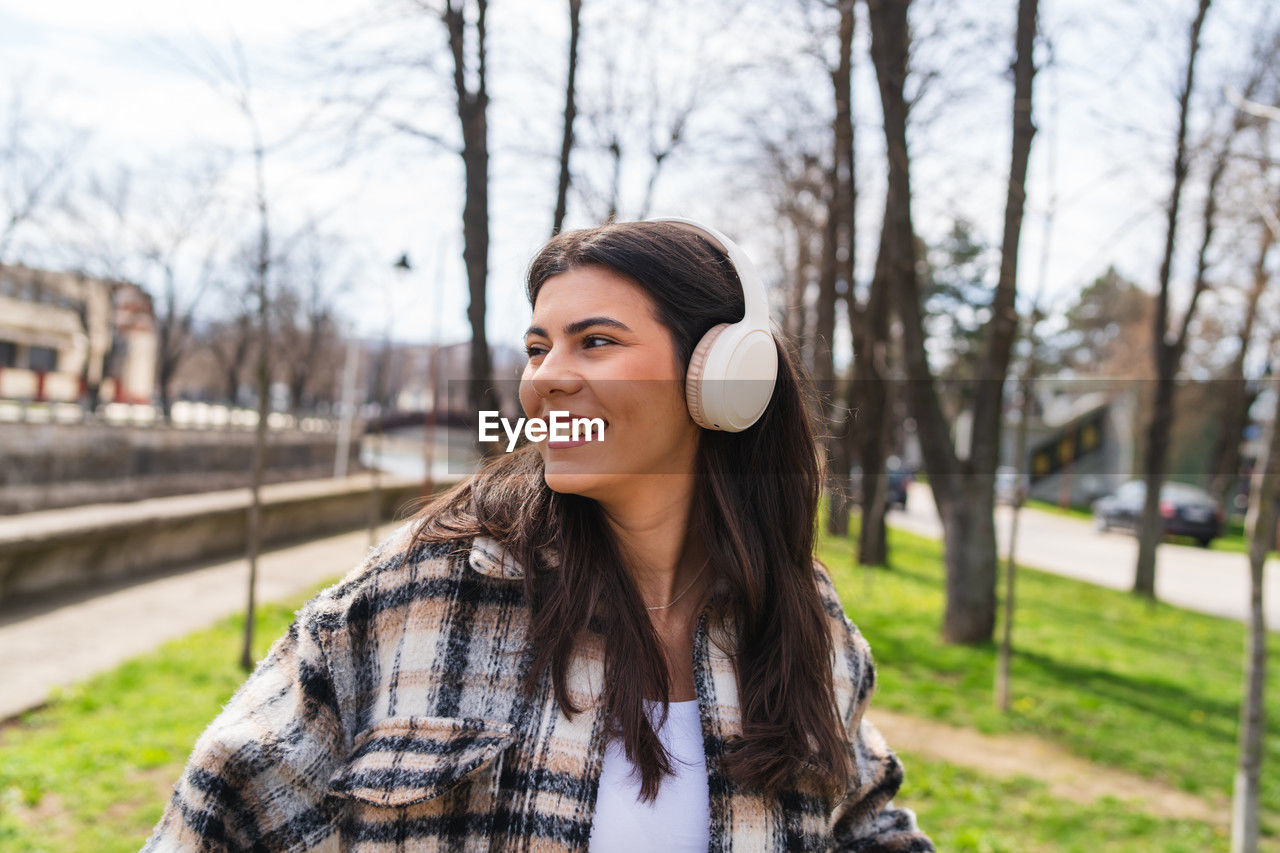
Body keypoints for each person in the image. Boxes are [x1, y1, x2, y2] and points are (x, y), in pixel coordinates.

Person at [142, 218, 934, 852]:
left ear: (725, 377)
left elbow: (864, 822)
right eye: (536, 346)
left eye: (595, 341)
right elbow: (215, 816)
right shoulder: (420, 596)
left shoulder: (807, 627)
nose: (545, 376)